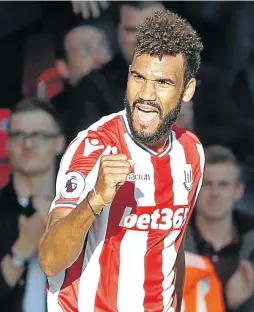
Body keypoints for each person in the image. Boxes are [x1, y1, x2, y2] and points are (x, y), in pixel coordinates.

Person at [39, 10, 204, 312]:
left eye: (163, 83)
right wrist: (94, 200)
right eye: (138, 77)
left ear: (187, 90)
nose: (146, 94)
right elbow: (50, 261)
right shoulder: (93, 147)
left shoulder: (191, 151)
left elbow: (172, 247)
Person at [0, 98, 65, 312]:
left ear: (59, 143)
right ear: (7, 143)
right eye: (18, 135)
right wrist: (20, 252)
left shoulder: (82, 209)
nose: (27, 144)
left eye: (38, 135)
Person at [185, 145, 254, 312]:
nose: (214, 193)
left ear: (238, 190)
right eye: (207, 184)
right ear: (194, 189)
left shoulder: (251, 249)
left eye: (223, 185)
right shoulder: (169, 244)